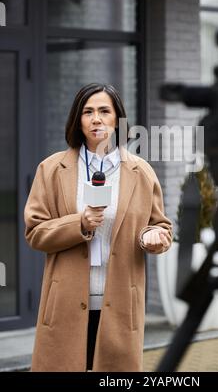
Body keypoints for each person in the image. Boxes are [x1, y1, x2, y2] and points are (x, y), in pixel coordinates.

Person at [24, 83, 173, 372]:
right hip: (65, 301)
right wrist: (79, 222)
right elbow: (35, 232)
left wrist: (153, 237)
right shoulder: (51, 169)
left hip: (120, 301)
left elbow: (160, 226)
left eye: (104, 111)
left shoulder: (141, 172)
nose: (96, 119)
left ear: (117, 118)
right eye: (88, 112)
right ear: (77, 120)